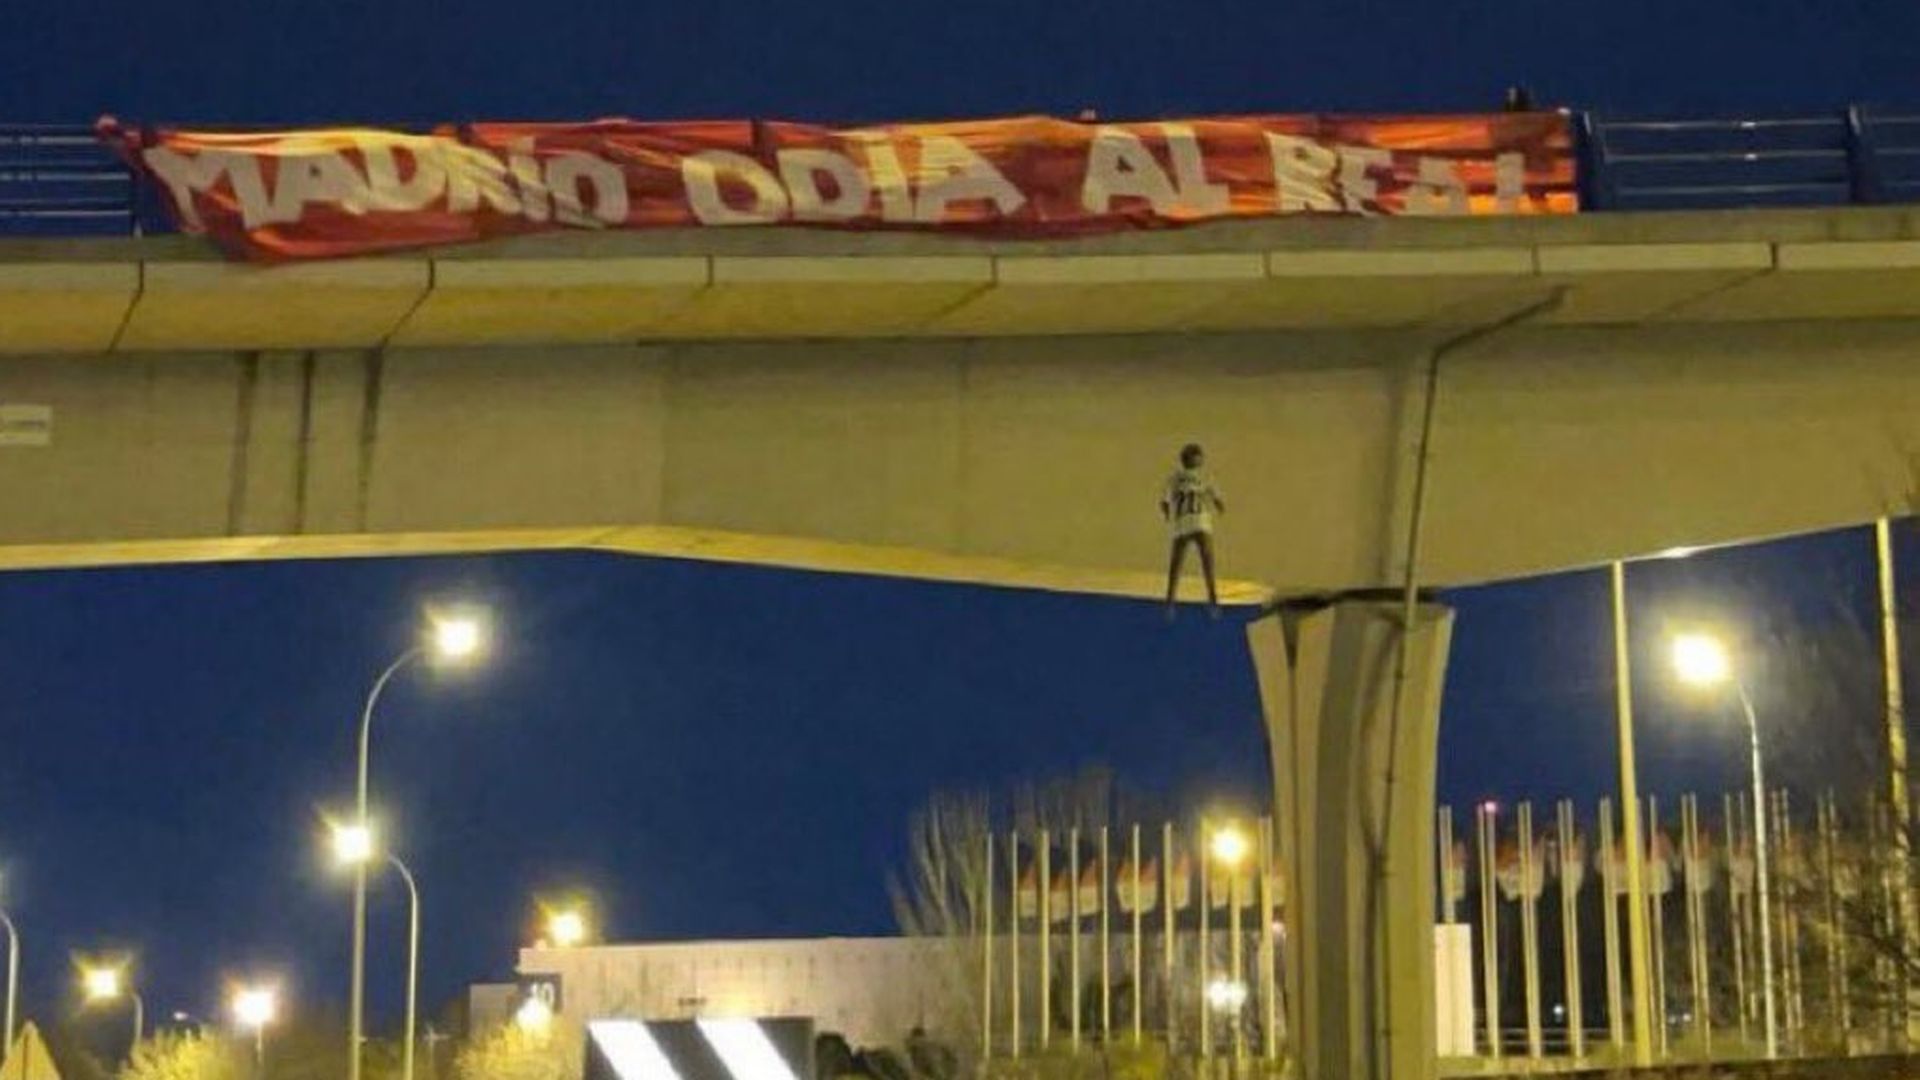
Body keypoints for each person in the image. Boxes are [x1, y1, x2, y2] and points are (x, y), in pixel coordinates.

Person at [1161, 442, 1225, 618]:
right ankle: (1212, 603)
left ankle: (1170, 604)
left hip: (1183, 523)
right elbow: (1215, 496)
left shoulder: (1175, 478)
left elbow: (1165, 500)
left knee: (1177, 564)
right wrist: (1219, 505)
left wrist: (1166, 512)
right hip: (1200, 521)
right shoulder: (1204, 477)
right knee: (1206, 563)